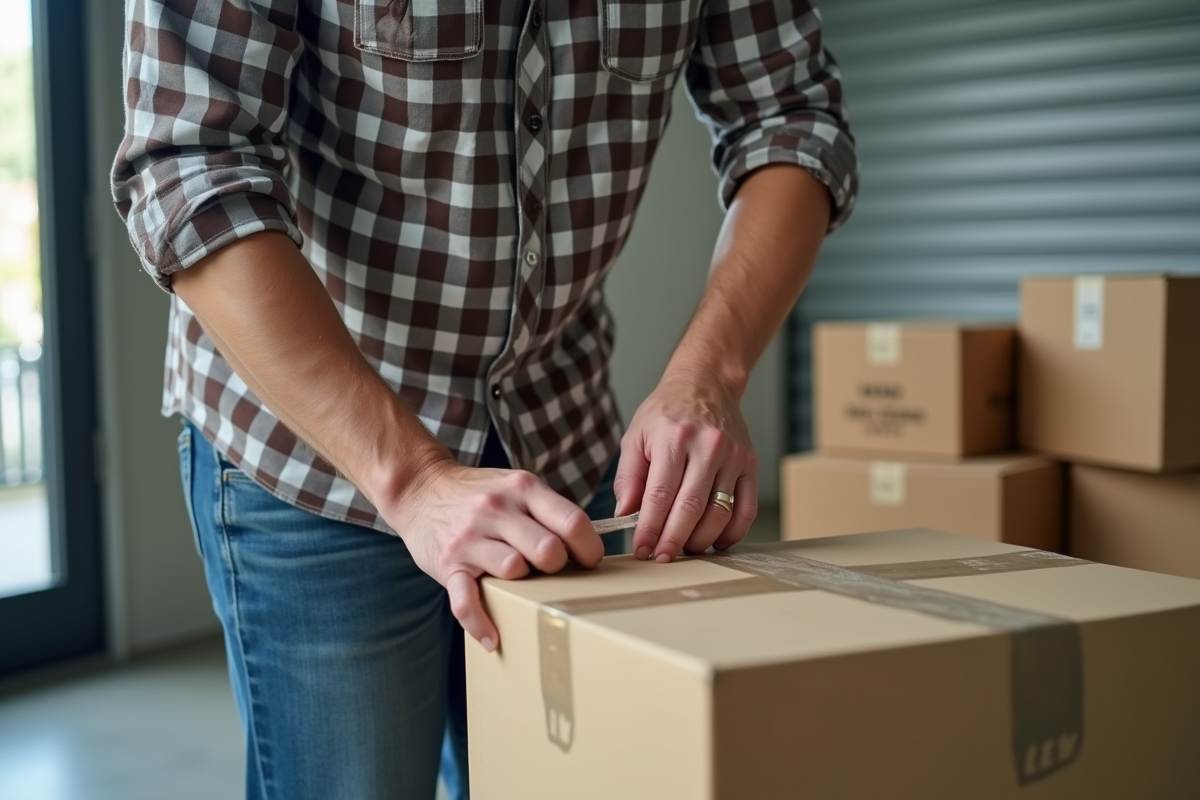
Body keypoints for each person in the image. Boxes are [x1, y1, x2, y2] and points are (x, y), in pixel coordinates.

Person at [112, 0, 857, 797]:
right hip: (315, 456)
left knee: (558, 779)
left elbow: (791, 118)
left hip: (556, 431)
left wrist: (708, 375)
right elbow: (189, 165)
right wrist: (413, 479)